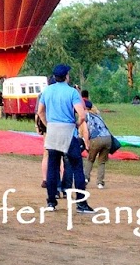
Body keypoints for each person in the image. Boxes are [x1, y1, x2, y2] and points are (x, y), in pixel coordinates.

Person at [35, 64, 92, 213]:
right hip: (68, 131)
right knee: (77, 167)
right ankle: (81, 204)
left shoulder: (47, 92)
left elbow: (40, 112)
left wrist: (48, 124)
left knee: (52, 168)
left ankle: (51, 202)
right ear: (66, 76)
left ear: (54, 77)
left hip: (53, 131)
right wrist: (75, 125)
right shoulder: (72, 92)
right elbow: (83, 115)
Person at [83, 100, 113, 190]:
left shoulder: (85, 116)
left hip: (96, 139)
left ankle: (85, 178)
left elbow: (86, 131)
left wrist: (86, 143)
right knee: (102, 162)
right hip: (108, 138)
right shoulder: (98, 115)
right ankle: (100, 183)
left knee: (90, 159)